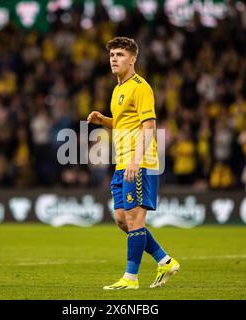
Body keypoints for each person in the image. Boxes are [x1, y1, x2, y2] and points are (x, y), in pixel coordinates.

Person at [87, 37, 180, 290]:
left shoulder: (141, 87)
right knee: (121, 219)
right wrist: (103, 120)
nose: (113, 59)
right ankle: (165, 260)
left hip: (139, 162)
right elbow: (123, 123)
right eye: (111, 55)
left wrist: (136, 161)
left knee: (135, 220)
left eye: (119, 54)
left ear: (132, 59)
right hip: (122, 163)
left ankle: (130, 278)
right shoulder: (118, 89)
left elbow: (149, 127)